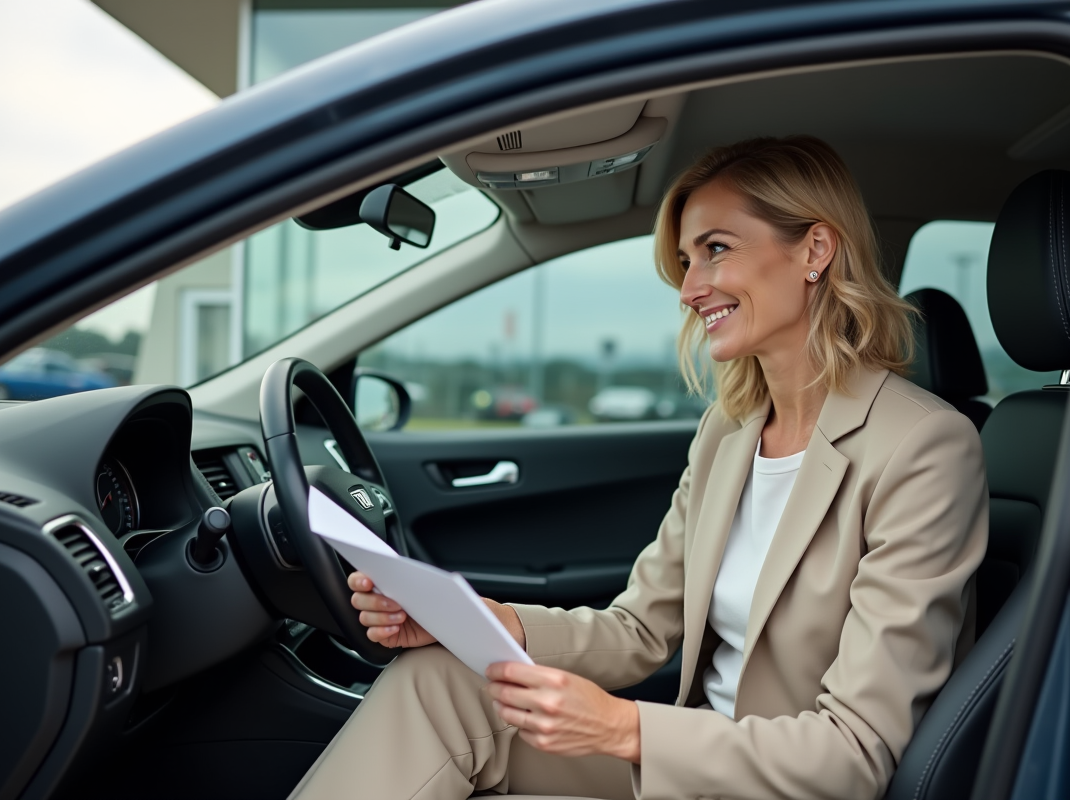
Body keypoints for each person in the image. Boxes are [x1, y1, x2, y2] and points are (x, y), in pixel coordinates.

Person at [289, 136, 988, 800]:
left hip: (780, 783)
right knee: (438, 677)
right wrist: (487, 621)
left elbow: (854, 753)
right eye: (687, 261)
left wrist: (625, 728)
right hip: (695, 770)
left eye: (716, 250)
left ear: (815, 248)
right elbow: (639, 632)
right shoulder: (730, 433)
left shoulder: (923, 448)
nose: (690, 289)